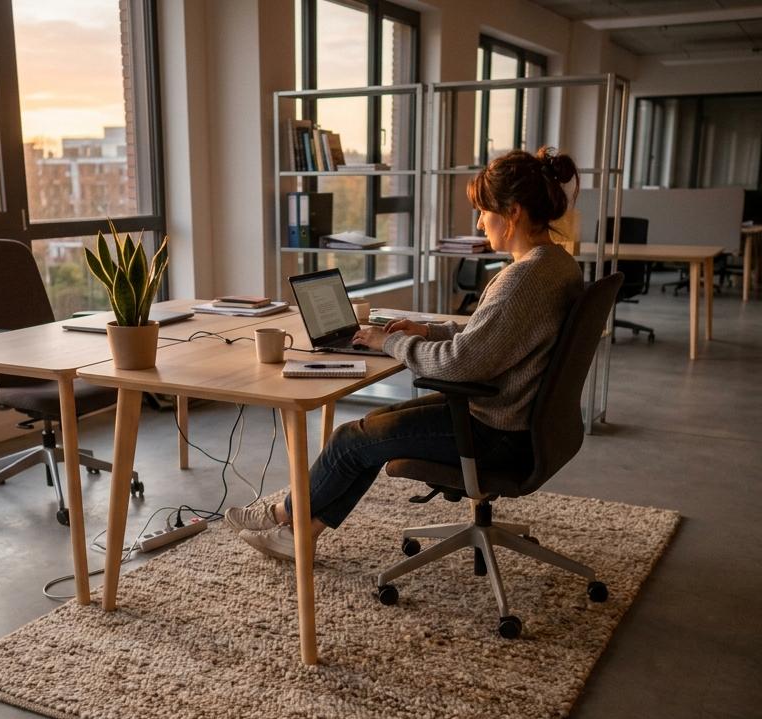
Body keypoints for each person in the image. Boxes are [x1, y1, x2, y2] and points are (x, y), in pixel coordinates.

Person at [226, 146, 584, 561]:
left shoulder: (522, 279)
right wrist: (427, 331)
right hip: (518, 421)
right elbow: (495, 335)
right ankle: (301, 534)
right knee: (369, 429)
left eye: (483, 211)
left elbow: (459, 363)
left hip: (495, 433)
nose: (479, 222)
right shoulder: (556, 264)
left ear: (514, 212)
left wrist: (388, 342)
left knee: (351, 440)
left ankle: (282, 513)